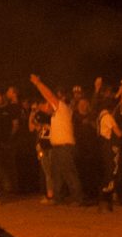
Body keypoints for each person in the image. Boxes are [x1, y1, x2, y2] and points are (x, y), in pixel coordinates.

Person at [29, 75, 82, 203]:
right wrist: (39, 109)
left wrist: (38, 84)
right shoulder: (56, 115)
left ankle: (77, 198)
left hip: (65, 146)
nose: (47, 106)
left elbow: (50, 96)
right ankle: (58, 198)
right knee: (56, 174)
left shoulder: (62, 108)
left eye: (48, 105)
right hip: (58, 147)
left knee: (69, 173)